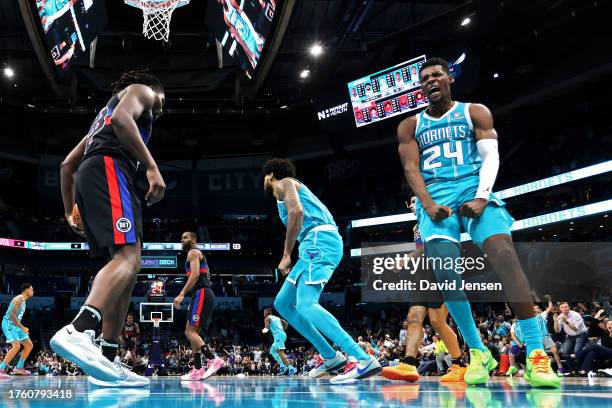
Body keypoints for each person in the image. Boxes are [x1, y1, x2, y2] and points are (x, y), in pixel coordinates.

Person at [396, 57, 559, 387]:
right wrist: (427, 203)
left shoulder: (475, 111)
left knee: (505, 256)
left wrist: (483, 196)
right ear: (421, 85)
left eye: (437, 74)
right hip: (436, 197)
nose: (431, 80)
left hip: (474, 188)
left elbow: (490, 156)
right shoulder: (410, 125)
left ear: (449, 78)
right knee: (445, 273)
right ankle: (476, 352)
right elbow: (411, 170)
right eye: (425, 77)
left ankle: (536, 353)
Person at [50, 70, 166, 387]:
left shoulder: (99, 122)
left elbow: (67, 165)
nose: (163, 106)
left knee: (128, 268)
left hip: (98, 172)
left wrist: (68, 209)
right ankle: (79, 328)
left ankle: (108, 359)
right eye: (164, 98)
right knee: (128, 258)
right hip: (110, 168)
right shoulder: (143, 90)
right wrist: (152, 167)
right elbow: (123, 121)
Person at [263, 158, 381, 384]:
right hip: (313, 243)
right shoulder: (287, 191)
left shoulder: (283, 183)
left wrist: (287, 254)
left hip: (319, 241)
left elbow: (296, 212)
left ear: (270, 175)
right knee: (283, 303)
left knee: (307, 304)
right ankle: (331, 357)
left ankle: (362, 358)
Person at [382, 197, 467, 383]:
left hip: (442, 268)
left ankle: (459, 364)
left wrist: (407, 258)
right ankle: (409, 364)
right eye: (410, 202)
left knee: (437, 321)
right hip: (423, 273)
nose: (412, 204)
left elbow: (433, 246)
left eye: (415, 200)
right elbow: (422, 250)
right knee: (413, 317)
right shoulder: (415, 227)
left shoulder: (436, 217)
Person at [174, 232, 224, 381]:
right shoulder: (194, 253)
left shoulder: (193, 252)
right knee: (190, 332)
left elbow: (195, 275)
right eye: (181, 238)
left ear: (194, 239)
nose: (182, 240)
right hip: (199, 294)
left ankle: (213, 359)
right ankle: (197, 369)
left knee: (190, 332)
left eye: (185, 237)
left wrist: (181, 294)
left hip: (202, 293)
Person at [0, 284, 35, 378]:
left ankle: (19, 368)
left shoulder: (24, 301)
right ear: (25, 290)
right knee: (16, 346)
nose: (33, 292)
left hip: (16, 325)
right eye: (31, 290)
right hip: (9, 324)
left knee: (29, 345)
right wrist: (22, 327)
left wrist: (21, 328)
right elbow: (12, 315)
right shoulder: (19, 299)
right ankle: (1, 369)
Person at [534, 295, 564, 376]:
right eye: (535, 308)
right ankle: (542, 370)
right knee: (541, 354)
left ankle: (560, 368)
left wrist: (549, 299)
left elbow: (550, 307)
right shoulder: (530, 319)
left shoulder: (542, 315)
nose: (536, 309)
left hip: (546, 336)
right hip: (537, 338)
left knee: (554, 351)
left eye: (537, 308)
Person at [263, 308, 296, 375]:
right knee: (272, 351)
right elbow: (286, 324)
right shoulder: (277, 318)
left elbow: (266, 328)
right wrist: (281, 330)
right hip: (281, 335)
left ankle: (291, 368)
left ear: (267, 312)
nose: (263, 313)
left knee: (280, 352)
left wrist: (264, 330)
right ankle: (282, 366)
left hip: (278, 336)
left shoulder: (267, 318)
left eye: (264, 312)